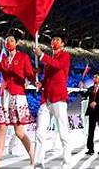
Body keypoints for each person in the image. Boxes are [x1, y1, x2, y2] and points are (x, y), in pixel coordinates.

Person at [0, 35, 36, 169]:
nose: (9, 42)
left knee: (19, 132)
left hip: (17, 96)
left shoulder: (23, 57)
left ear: (17, 43)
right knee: (1, 131)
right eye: (6, 41)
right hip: (4, 97)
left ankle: (33, 157)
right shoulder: (3, 60)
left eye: (12, 40)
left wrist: (33, 80)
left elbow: (30, 74)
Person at [33, 36, 72, 168]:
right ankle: (38, 162)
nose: (54, 41)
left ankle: (66, 162)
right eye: (53, 39)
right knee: (39, 132)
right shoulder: (49, 59)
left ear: (62, 44)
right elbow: (48, 78)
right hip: (46, 99)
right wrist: (41, 82)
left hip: (59, 98)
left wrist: (41, 55)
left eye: (57, 39)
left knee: (63, 132)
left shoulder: (65, 56)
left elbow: (58, 66)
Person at [79, 72, 99, 155]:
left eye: (96, 77)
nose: (94, 79)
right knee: (90, 130)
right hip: (92, 111)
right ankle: (90, 149)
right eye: (94, 77)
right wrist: (81, 88)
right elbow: (84, 95)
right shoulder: (91, 88)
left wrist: (96, 102)